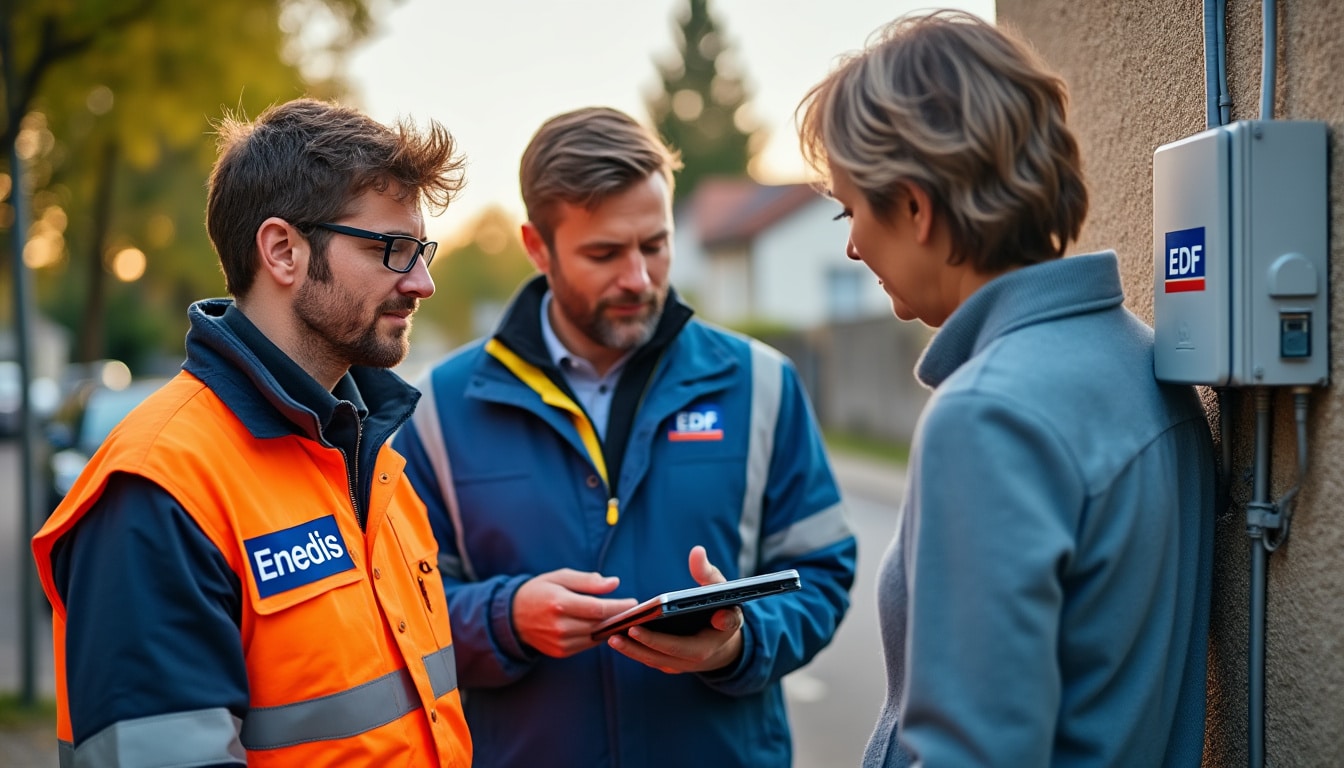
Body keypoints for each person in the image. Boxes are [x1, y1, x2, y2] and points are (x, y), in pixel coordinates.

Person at [797, 10, 1216, 767]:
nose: (853, 244)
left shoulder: (989, 415)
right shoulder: (1146, 365)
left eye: (851, 208)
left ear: (917, 207)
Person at [390, 106, 857, 768]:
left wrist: (740, 643)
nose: (638, 277)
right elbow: (397, 610)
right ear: (537, 247)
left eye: (655, 245)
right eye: (604, 253)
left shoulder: (762, 383)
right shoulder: (437, 408)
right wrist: (505, 618)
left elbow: (823, 571)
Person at [32, 98, 473, 766]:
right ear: (282, 250)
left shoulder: (377, 461)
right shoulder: (159, 489)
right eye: (393, 250)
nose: (422, 282)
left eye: (422, 249)